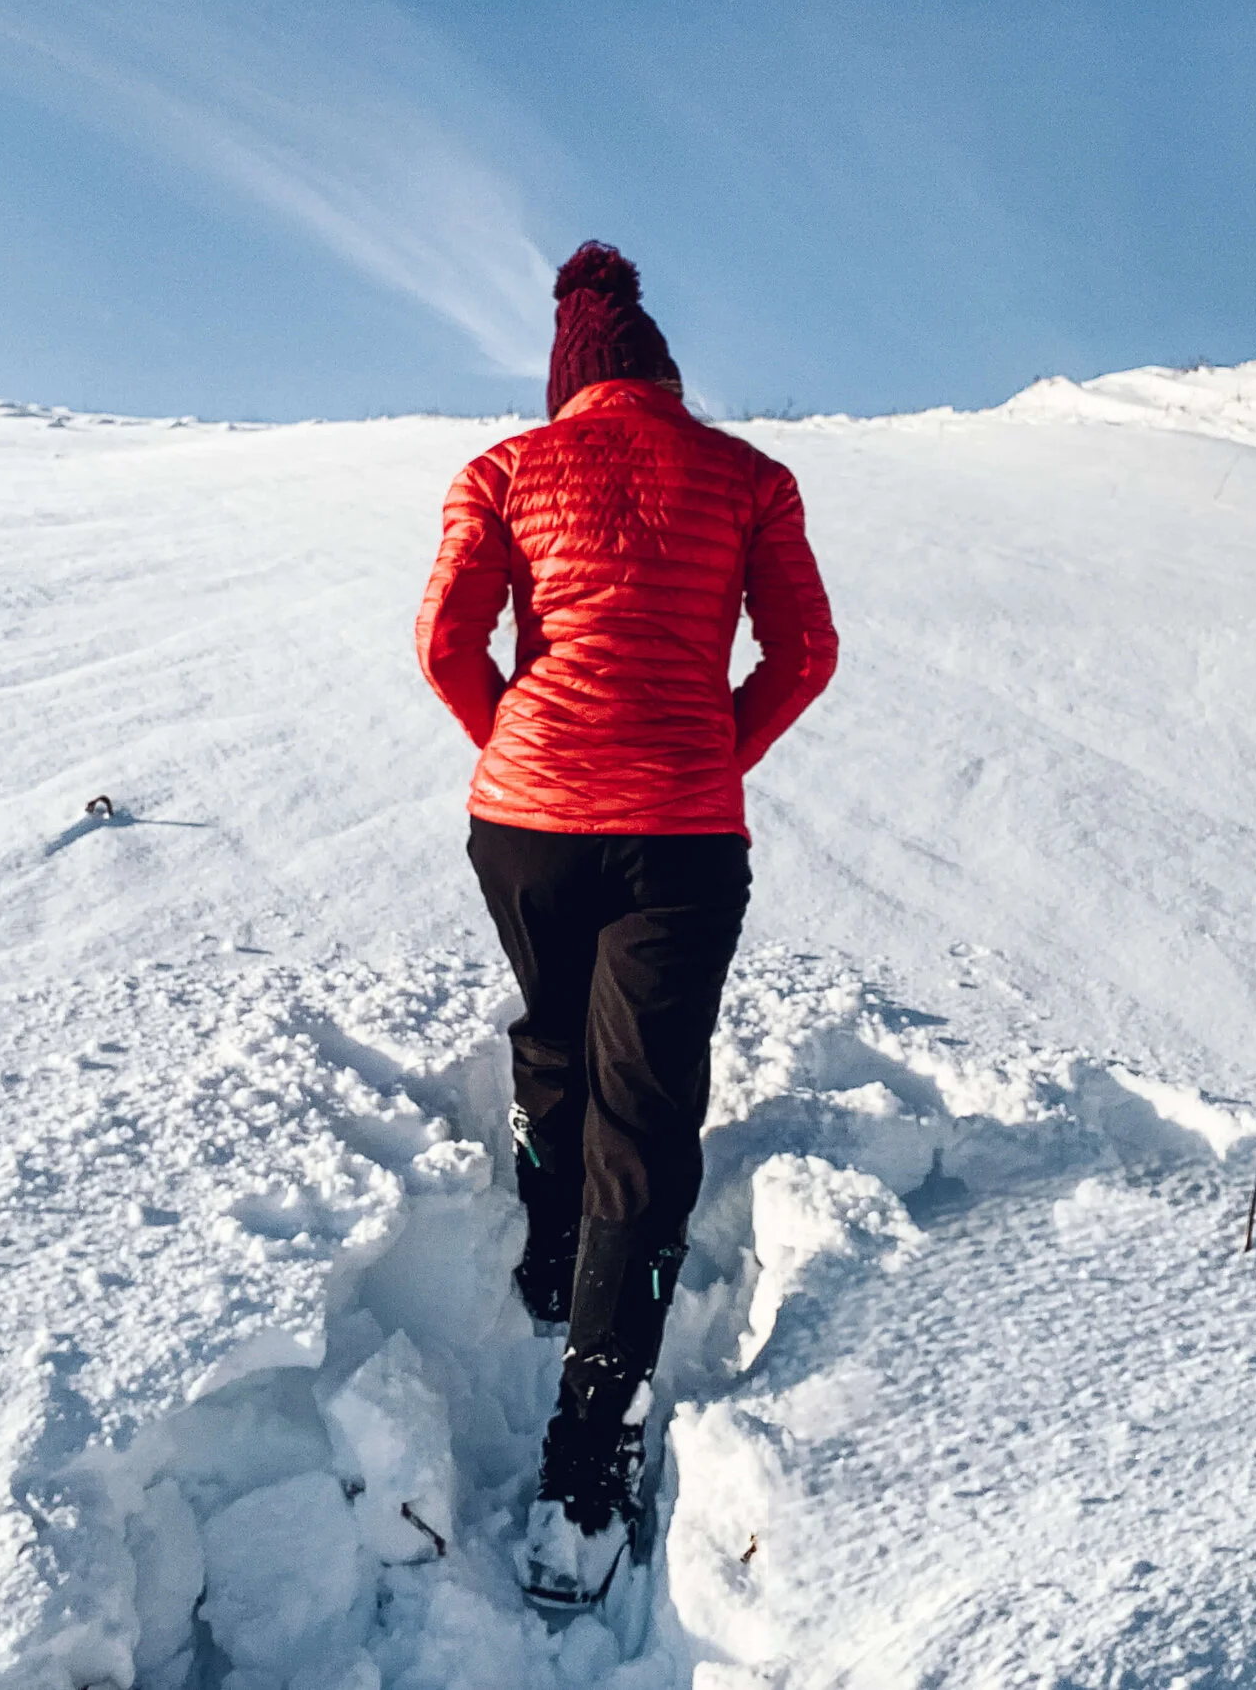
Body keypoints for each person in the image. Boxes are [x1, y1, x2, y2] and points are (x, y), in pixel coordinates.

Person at [415, 241, 837, 1604]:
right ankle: (586, 1461)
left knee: (551, 1024)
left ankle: (550, 1246)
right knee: (645, 1114)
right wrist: (710, 747)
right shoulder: (751, 479)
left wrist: (518, 746)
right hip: (680, 831)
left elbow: (442, 642)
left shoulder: (506, 470)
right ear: (661, 373)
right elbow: (808, 650)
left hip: (523, 824)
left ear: (567, 381)